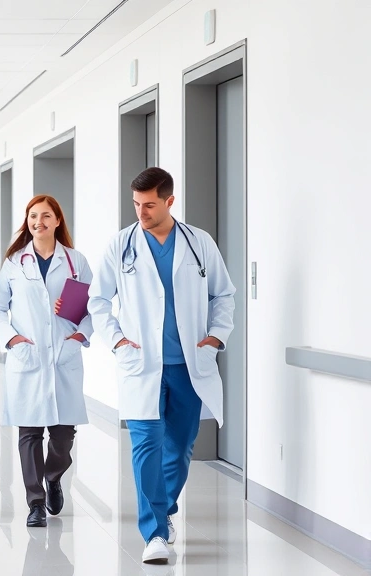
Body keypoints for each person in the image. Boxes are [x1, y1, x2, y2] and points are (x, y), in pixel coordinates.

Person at [88, 167, 235, 565]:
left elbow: (223, 295)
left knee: (180, 447)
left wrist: (216, 337)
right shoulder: (121, 245)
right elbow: (97, 301)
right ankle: (153, 532)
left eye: (150, 205)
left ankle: (164, 507)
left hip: (188, 365)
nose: (141, 212)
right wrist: (118, 340)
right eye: (136, 204)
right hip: (141, 364)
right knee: (146, 445)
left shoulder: (199, 243)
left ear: (170, 201)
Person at [0, 194, 93, 528]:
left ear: (57, 220)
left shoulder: (76, 261)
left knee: (63, 437)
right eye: (33, 216)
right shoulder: (14, 262)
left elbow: (93, 307)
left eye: (46, 216)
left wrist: (79, 337)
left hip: (63, 355)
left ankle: (53, 476)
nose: (39, 222)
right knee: (29, 433)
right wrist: (11, 338)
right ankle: (35, 503)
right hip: (28, 357)